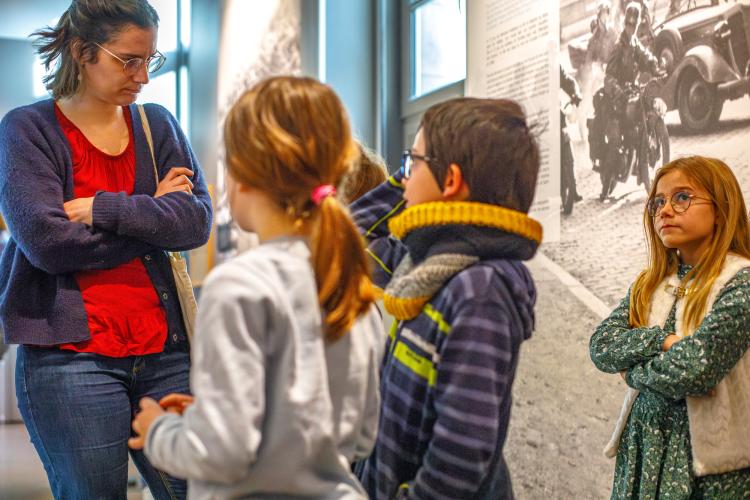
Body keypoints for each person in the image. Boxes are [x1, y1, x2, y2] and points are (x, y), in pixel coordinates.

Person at [128, 76, 384, 499]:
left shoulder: (239, 286)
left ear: (244, 176)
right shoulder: (353, 287)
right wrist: (212, 415)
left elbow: (223, 453)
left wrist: (160, 430)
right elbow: (359, 437)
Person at [0, 1, 212, 498]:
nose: (142, 76)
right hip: (70, 360)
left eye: (150, 61)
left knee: (199, 490)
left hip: (166, 349)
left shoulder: (156, 125)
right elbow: (48, 245)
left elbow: (195, 222)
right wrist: (152, 213)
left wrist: (102, 209)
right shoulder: (26, 130)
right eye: (128, 60)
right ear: (82, 52)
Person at [352, 97, 542, 499]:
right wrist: (410, 176)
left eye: (412, 163)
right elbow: (351, 245)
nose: (404, 178)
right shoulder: (425, 264)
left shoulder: (479, 289)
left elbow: (459, 454)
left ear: (451, 181)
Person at [590, 156, 750, 497]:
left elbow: (695, 367)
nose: (665, 210)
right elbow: (602, 346)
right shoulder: (650, 284)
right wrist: (663, 341)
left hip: (711, 467)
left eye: (682, 197)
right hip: (644, 447)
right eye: (658, 202)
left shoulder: (741, 282)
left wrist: (632, 371)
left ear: (721, 209)